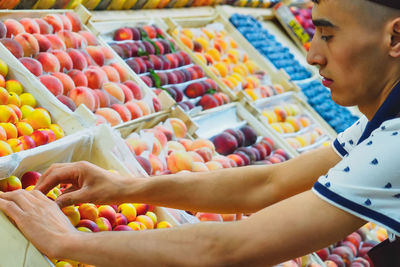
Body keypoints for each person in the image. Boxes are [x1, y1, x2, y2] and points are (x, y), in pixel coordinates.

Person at [0, 0, 400, 266]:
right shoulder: (382, 121)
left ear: (395, 38)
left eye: (328, 35)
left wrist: (66, 242)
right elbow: (270, 181)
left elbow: (228, 249)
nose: (312, 54)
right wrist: (125, 187)